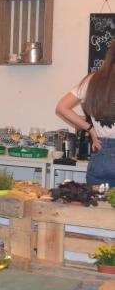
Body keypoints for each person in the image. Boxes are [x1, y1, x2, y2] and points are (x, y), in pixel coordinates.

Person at [56, 40, 115, 186]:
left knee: (97, 201)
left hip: (101, 154)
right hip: (102, 150)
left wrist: (90, 129)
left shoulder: (93, 80)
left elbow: (62, 107)